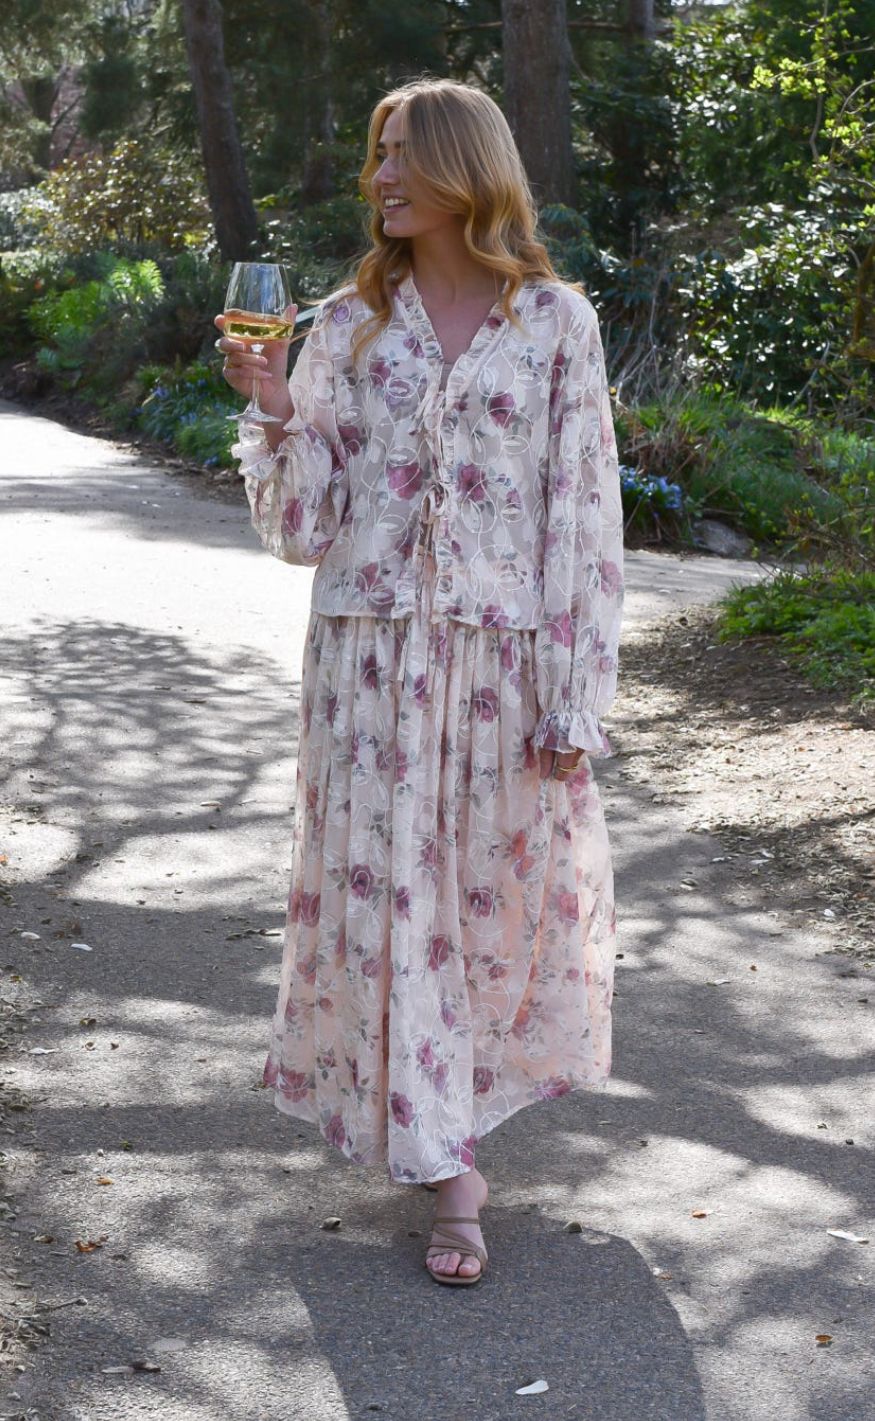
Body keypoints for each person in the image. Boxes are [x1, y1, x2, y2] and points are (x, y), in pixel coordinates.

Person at [215, 77, 623, 1288]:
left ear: (462, 166)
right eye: (376, 154)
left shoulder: (554, 324)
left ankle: (446, 1123)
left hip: (499, 668)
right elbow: (304, 528)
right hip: (367, 668)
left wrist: (573, 693)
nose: (379, 175)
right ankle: (450, 1170)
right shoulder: (345, 323)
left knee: (481, 909)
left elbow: (581, 517)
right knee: (390, 904)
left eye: (401, 154)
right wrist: (274, 407)